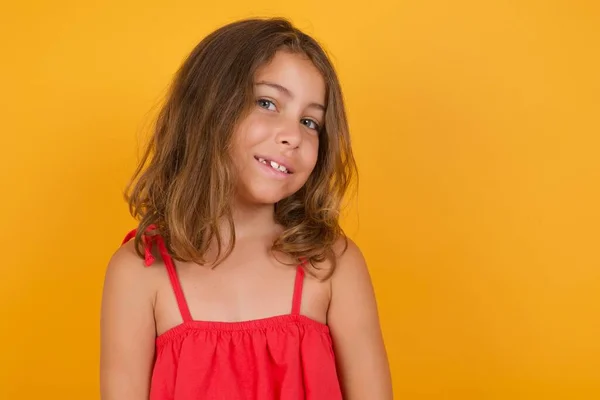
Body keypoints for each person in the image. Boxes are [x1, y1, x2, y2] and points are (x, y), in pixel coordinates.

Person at [100, 17, 392, 399]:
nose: (293, 136)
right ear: (207, 110)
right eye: (267, 103)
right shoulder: (138, 273)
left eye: (310, 121)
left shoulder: (334, 264)